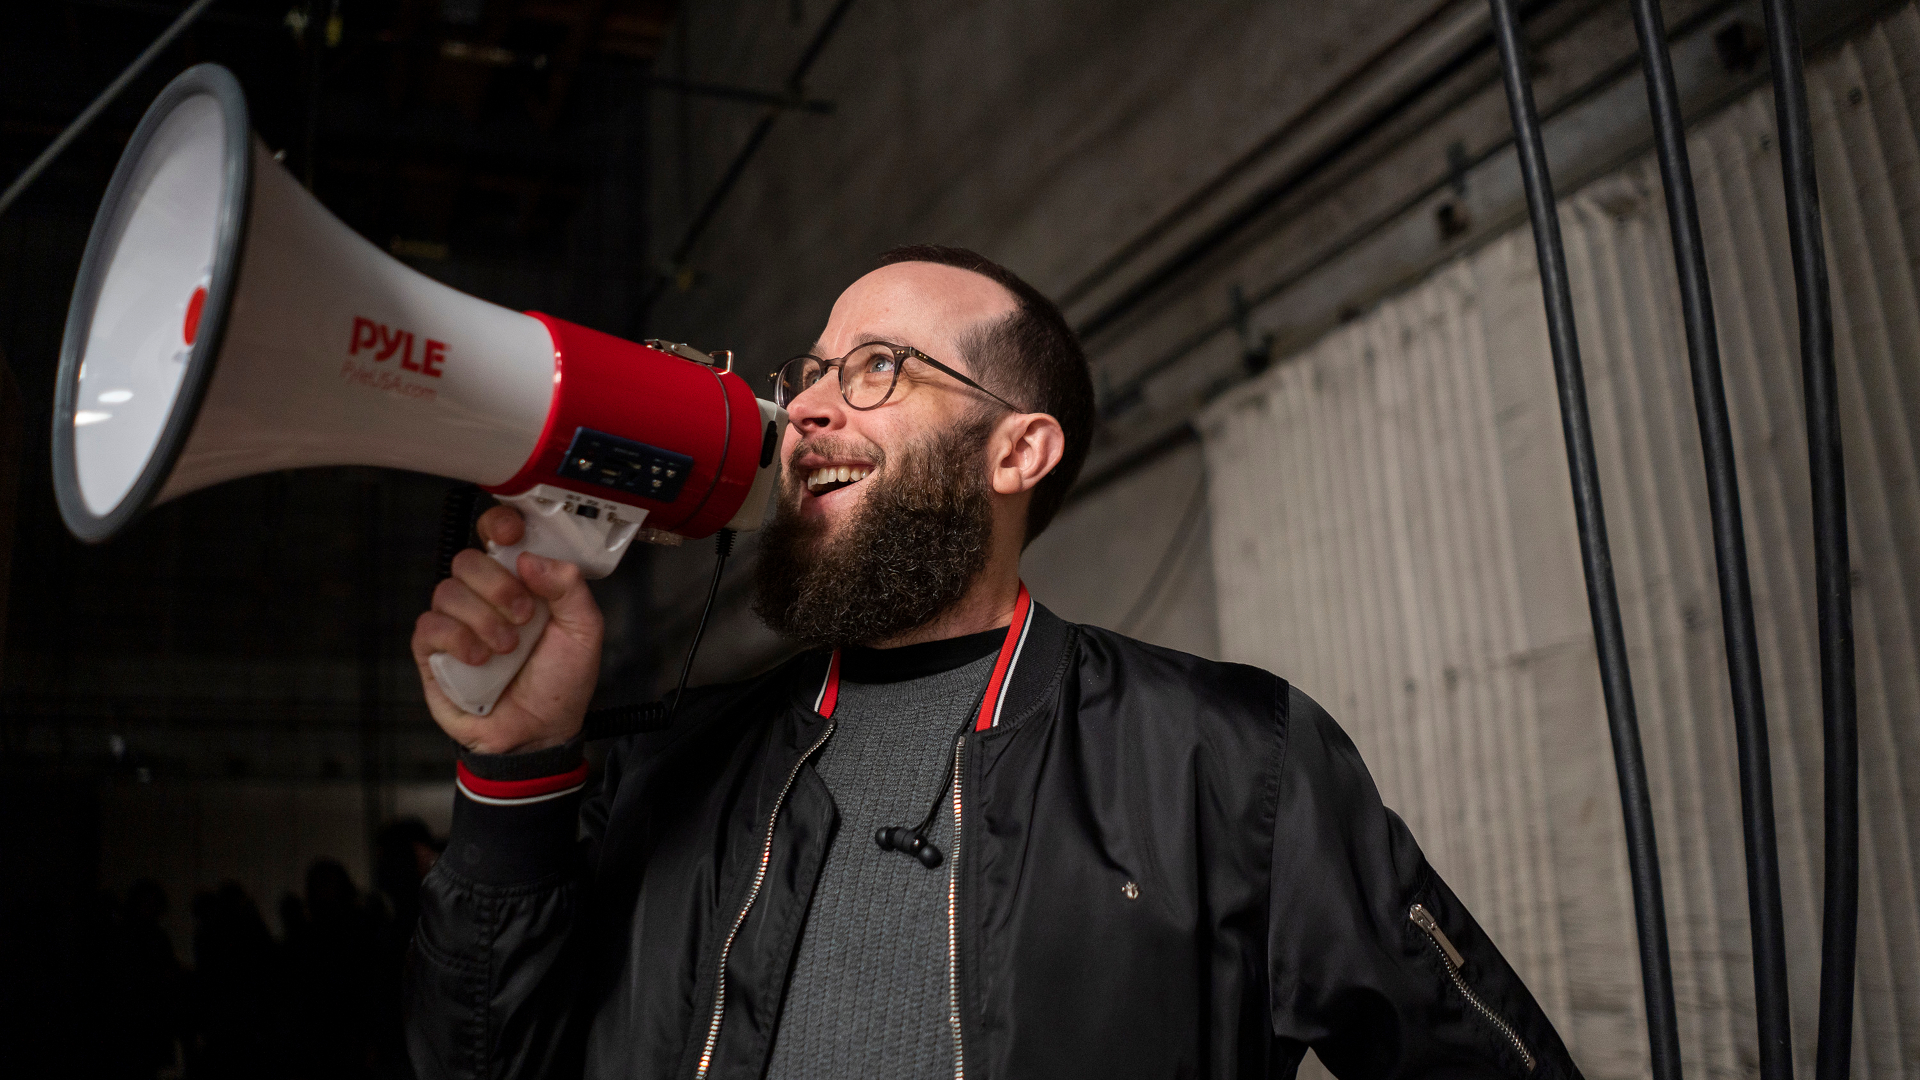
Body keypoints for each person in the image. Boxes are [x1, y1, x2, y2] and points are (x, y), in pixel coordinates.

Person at [405, 246, 1582, 1079]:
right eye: (809, 370)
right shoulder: (674, 764)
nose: (805, 408)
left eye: (875, 367)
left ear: (1019, 449)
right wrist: (515, 776)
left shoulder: (1228, 759)